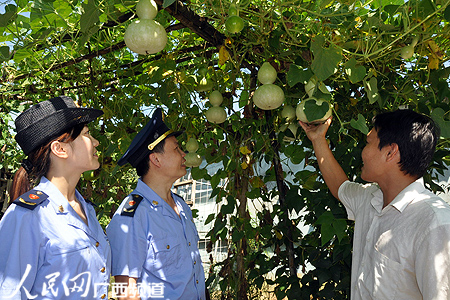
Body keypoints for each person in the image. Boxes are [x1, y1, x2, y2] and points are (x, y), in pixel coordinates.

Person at [299, 109, 450, 300]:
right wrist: (318, 139)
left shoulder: (434, 224)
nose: (363, 151)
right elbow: (340, 187)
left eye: (368, 143)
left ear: (390, 152)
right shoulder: (370, 199)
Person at [0, 96, 111, 300]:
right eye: (86, 134)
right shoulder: (27, 216)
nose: (95, 142)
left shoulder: (88, 210)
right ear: (60, 149)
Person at [106, 108, 206, 300]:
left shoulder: (182, 207)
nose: (184, 154)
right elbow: (124, 288)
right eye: (177, 148)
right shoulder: (133, 214)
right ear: (156, 159)